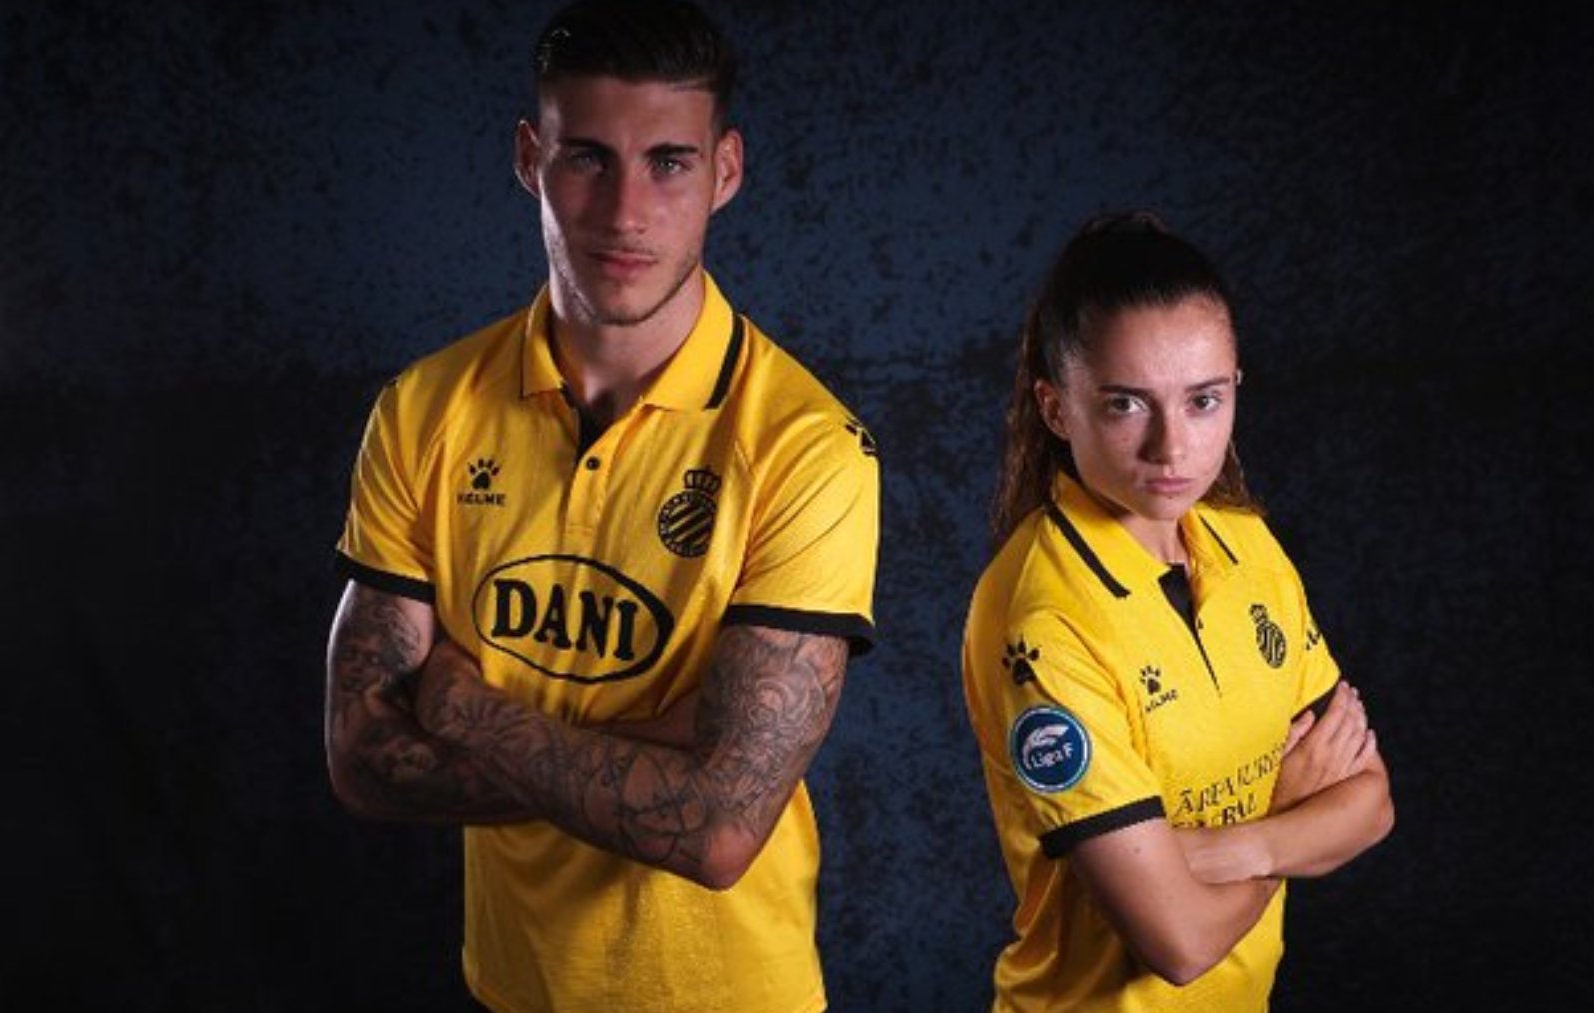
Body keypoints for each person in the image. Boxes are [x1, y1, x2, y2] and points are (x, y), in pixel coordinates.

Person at [323, 3, 880, 1012]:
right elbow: (363, 758)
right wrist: (655, 748)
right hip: (509, 986)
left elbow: (717, 830)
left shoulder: (806, 446)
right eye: (588, 157)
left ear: (725, 171)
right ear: (529, 157)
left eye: (669, 162)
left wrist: (468, 709)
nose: (627, 213)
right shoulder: (423, 409)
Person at [960, 211, 1394, 1012]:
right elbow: (1180, 941)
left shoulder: (1245, 543)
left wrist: (1213, 849)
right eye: (1126, 404)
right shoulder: (1043, 621)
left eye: (1203, 400)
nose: (1172, 447)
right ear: (1056, 408)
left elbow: (1370, 803)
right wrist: (1288, 812)